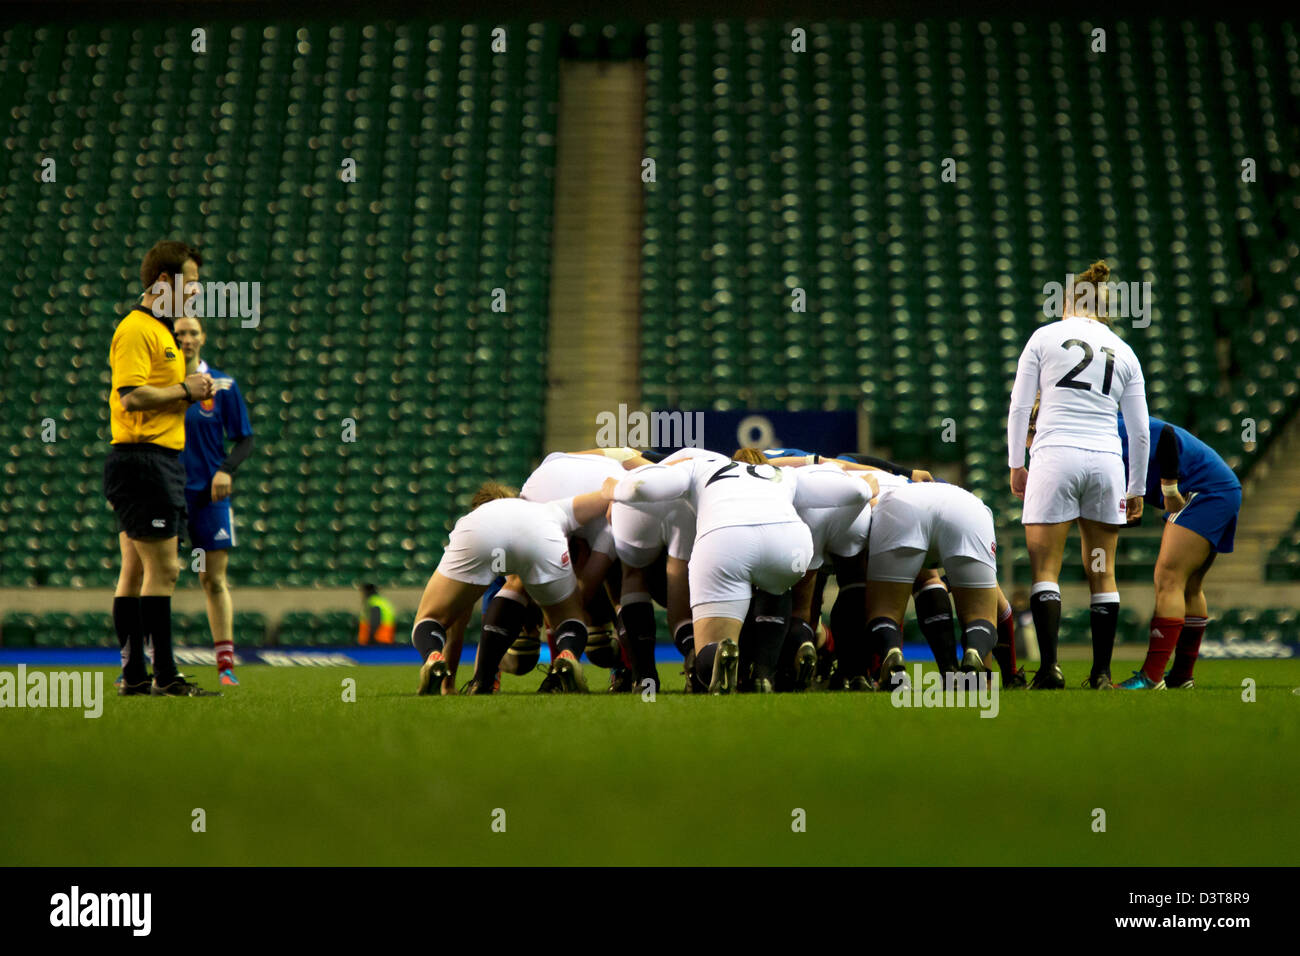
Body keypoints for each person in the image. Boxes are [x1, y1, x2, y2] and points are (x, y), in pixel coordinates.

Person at [1007, 260, 1150, 690]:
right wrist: (1137, 487)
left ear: (1068, 303)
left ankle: (1050, 669)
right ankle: (1102, 673)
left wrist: (1017, 463)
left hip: (1054, 456)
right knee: (1102, 571)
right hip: (1106, 462)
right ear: (1104, 310)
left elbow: (1018, 407)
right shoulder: (1124, 351)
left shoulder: (1044, 337)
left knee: (1046, 569)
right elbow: (1140, 431)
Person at [105, 239, 217, 696]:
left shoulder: (162, 331)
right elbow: (131, 395)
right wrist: (186, 391)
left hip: (150, 460)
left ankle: (135, 676)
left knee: (133, 571)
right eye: (191, 282)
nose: (195, 291)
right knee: (165, 570)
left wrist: (186, 386)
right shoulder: (137, 329)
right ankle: (165, 676)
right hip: (145, 460)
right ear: (166, 282)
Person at [411, 481, 615, 696]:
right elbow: (601, 497)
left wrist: (448, 686)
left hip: (478, 536)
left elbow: (456, 626)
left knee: (431, 618)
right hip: (540, 535)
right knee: (568, 619)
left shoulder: (473, 519)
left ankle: (434, 655)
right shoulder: (544, 508)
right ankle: (568, 654)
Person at [1114, 415, 1243, 689]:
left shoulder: (1113, 423)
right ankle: (1182, 675)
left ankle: (1151, 677)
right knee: (1190, 586)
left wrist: (1169, 488)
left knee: (1168, 578)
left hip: (1203, 490)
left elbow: (1167, 434)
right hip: (1219, 487)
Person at [174, 315, 254, 686]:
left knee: (212, 579)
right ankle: (144, 663)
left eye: (192, 332)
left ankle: (225, 666)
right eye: (179, 333)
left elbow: (245, 439)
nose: (186, 339)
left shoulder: (222, 384)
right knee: (158, 575)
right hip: (168, 492)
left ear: (202, 337)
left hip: (209, 496)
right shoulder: (160, 383)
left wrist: (225, 470)